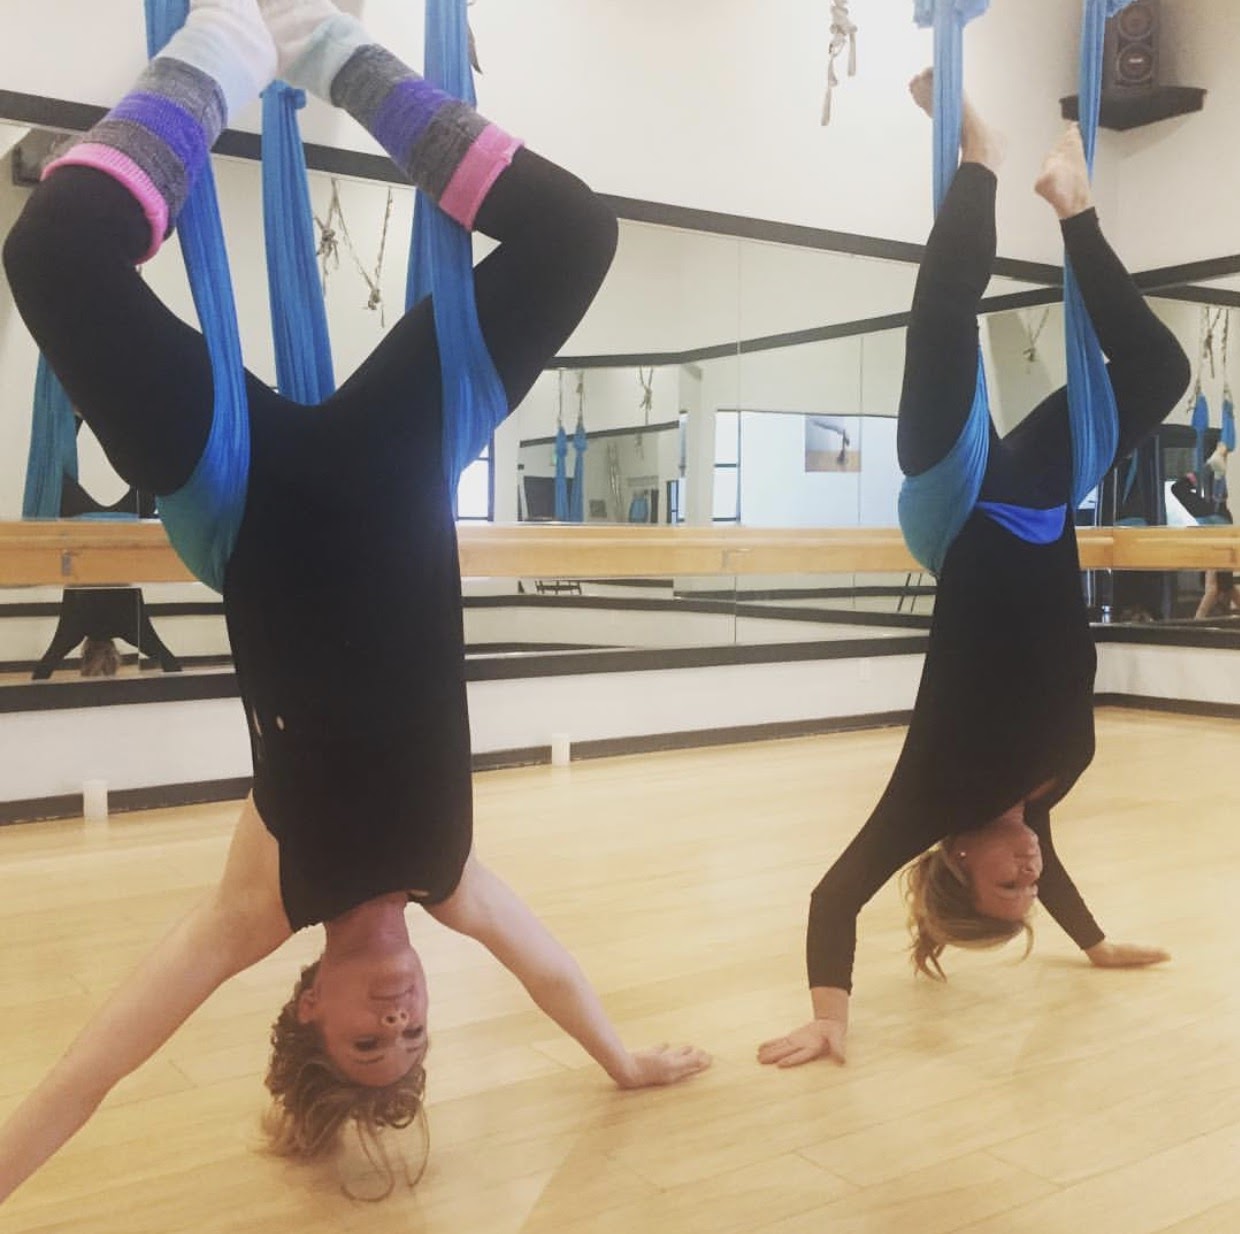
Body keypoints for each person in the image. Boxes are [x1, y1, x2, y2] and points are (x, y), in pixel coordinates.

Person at [0, 0, 708, 1203]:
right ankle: (334, 51)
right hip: (401, 460)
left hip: (246, 488)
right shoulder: (451, 873)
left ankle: (225, 48)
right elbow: (549, 973)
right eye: (415, 1037)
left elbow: (95, 1064)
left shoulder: (260, 904)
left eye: (368, 1040)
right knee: (576, 231)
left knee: (51, 256)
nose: (401, 1015)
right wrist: (623, 1059)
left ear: (306, 1007)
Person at [759, 73, 1190, 1070]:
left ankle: (977, 158)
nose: (1030, 867)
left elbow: (834, 896)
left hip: (952, 505)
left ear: (957, 859)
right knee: (1162, 373)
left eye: (1007, 882)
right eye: (1029, 887)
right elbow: (1053, 866)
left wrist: (831, 1018)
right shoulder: (1050, 785)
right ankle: (1072, 203)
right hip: (1036, 503)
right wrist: (1094, 944)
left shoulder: (934, 796)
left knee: (945, 312)